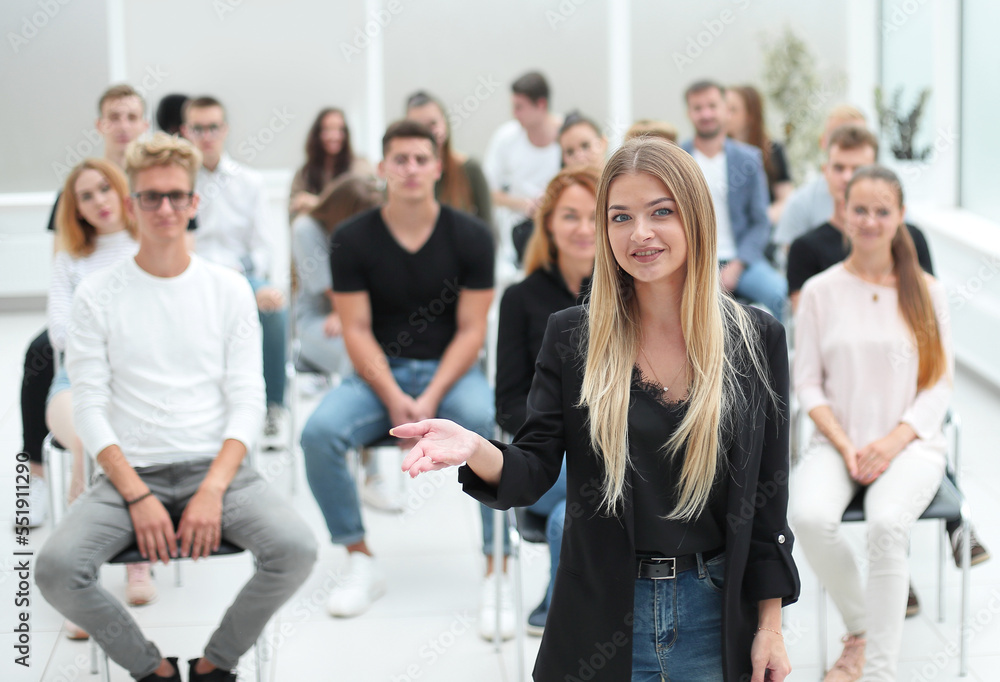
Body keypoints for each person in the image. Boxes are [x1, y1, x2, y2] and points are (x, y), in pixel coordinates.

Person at [395, 137, 799, 681]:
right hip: (604, 613)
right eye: (620, 217)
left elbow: (767, 505)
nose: (640, 234)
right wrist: (477, 448)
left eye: (661, 212)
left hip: (715, 612)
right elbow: (533, 469)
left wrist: (769, 628)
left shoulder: (756, 339)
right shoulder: (572, 337)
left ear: (697, 218)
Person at [35, 132, 317, 682]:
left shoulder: (228, 288)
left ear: (194, 203)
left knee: (297, 549)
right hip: (127, 474)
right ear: (132, 204)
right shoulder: (97, 293)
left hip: (217, 471)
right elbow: (89, 405)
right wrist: (136, 494)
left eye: (175, 196)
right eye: (150, 197)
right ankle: (155, 672)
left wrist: (213, 488)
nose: (164, 208)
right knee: (54, 569)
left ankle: (216, 665)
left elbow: (248, 398)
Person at [299, 120, 508, 637]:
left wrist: (432, 396)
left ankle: (495, 567)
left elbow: (471, 330)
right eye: (401, 159)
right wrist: (393, 395)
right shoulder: (351, 238)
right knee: (319, 434)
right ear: (384, 168)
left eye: (421, 159)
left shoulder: (472, 236)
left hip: (450, 374)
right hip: (377, 375)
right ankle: (359, 557)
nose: (411, 169)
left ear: (438, 167)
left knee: (487, 424)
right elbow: (355, 329)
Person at [790, 165, 952, 682]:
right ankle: (862, 630)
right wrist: (844, 442)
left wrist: (892, 441)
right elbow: (807, 382)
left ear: (900, 217)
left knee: (886, 525)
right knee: (810, 517)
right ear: (843, 213)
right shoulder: (820, 291)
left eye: (883, 210)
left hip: (910, 445)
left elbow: (938, 385)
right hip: (836, 442)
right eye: (860, 209)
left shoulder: (927, 292)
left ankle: (878, 670)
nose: (870, 220)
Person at [20, 84, 150, 529]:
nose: (123, 126)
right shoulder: (73, 238)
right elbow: (61, 309)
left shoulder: (152, 192)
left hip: (133, 353)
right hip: (80, 355)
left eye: (131, 117)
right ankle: (35, 477)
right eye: (114, 117)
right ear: (101, 125)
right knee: (39, 355)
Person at [495, 166, 598, 636]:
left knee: (567, 517)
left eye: (596, 217)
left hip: (622, 454)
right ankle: (580, 616)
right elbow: (508, 401)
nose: (583, 229)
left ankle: (562, 612)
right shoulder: (520, 298)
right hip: (549, 461)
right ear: (550, 224)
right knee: (572, 504)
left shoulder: (632, 294)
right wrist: (558, 432)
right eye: (570, 216)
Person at [45, 160, 144, 632]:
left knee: (115, 433)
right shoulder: (71, 257)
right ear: (77, 209)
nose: (100, 200)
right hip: (76, 380)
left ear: (121, 189)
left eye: (105, 188)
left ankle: (136, 561)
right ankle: (80, 583)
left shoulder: (146, 242)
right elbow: (61, 333)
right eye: (86, 196)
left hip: (134, 381)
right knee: (88, 435)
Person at [181, 96, 288, 445]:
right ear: (186, 132)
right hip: (191, 275)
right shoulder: (179, 184)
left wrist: (236, 273)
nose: (206, 135)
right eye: (198, 128)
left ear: (224, 129)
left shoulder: (250, 181)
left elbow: (262, 248)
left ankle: (272, 407)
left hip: (243, 276)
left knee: (273, 308)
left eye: (213, 127)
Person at [787, 124, 934, 313]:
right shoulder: (804, 248)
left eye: (857, 169)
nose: (847, 177)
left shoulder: (913, 238)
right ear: (826, 171)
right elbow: (807, 321)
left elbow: (928, 314)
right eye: (839, 168)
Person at [681, 80, 788, 322]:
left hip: (741, 260)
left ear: (725, 110)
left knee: (780, 294)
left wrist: (737, 266)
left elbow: (760, 222)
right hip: (692, 264)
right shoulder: (677, 158)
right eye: (698, 108)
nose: (706, 114)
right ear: (689, 113)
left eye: (712, 106)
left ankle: (782, 360)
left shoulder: (748, 159)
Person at [291, 173, 382, 379]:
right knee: (359, 356)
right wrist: (345, 313)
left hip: (355, 316)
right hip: (316, 323)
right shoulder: (305, 230)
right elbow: (334, 293)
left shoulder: (365, 233)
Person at [483, 71, 563, 277]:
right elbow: (489, 192)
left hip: (561, 227)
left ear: (541, 105)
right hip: (519, 231)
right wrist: (525, 205)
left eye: (520, 107)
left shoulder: (567, 135)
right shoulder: (505, 138)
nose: (515, 114)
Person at [773, 105, 867, 248]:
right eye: (839, 136)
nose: (849, 143)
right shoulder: (801, 203)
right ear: (823, 142)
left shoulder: (888, 198)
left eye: (857, 136)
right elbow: (793, 262)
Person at [405, 90, 494, 240]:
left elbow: (488, 231)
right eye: (418, 127)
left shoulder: (470, 169)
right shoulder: (401, 177)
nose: (428, 133)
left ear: (444, 124)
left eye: (433, 124)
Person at [288, 107, 373, 221]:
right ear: (317, 134)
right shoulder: (305, 173)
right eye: (328, 130)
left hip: (349, 227)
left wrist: (315, 202)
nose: (334, 136)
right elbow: (294, 208)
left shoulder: (359, 165)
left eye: (339, 130)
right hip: (319, 229)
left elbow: (366, 201)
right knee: (302, 225)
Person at [726, 85, 793, 224]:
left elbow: (786, 199)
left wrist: (762, 221)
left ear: (750, 115)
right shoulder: (719, 152)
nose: (726, 116)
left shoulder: (773, 149)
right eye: (724, 109)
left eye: (732, 110)